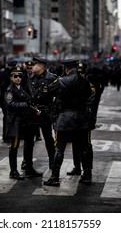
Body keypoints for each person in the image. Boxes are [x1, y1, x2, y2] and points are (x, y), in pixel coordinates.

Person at [44, 59, 93, 187]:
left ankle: (55, 177)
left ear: (66, 68)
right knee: (83, 148)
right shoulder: (85, 81)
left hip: (65, 118)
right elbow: (89, 96)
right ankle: (87, 175)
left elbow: (49, 90)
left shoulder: (62, 81)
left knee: (59, 149)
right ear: (76, 68)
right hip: (81, 118)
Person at [23, 57, 57, 177]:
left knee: (49, 139)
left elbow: (58, 96)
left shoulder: (51, 78)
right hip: (32, 113)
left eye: (35, 64)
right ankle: (28, 167)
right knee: (28, 141)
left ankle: (53, 164)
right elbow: (26, 94)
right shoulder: (29, 78)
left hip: (45, 113)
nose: (32, 66)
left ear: (41, 66)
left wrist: (53, 111)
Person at [66, 61, 96, 176]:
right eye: (78, 72)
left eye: (82, 72)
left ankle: (88, 170)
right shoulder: (73, 83)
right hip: (74, 118)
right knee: (75, 143)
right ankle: (77, 167)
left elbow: (89, 101)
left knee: (86, 144)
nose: (80, 75)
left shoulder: (89, 85)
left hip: (85, 119)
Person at [4, 66, 30, 180]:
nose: (18, 78)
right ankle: (13, 171)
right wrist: (25, 105)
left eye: (20, 76)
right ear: (11, 77)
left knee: (22, 144)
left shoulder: (20, 88)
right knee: (14, 147)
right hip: (14, 122)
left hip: (22, 121)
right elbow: (10, 104)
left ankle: (19, 168)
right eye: (15, 76)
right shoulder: (10, 90)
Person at [0, 60, 18, 143]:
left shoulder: (3, 73)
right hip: (10, 98)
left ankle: (6, 136)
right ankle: (9, 135)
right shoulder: (13, 74)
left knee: (6, 118)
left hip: (3, 99)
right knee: (10, 118)